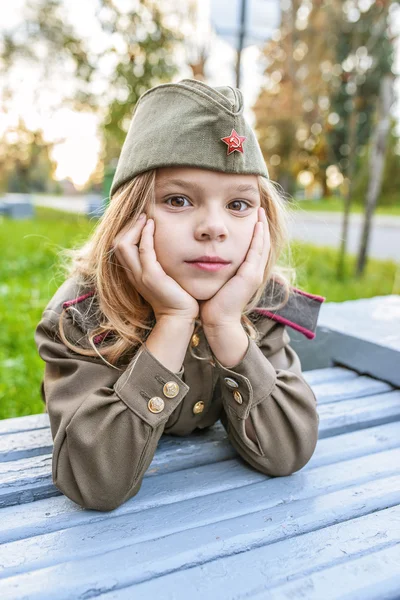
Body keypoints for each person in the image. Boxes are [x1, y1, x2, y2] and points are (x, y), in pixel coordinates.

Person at [34, 79, 325, 512]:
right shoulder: (83, 317)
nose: (214, 227)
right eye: (178, 199)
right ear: (129, 217)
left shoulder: (259, 303)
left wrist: (225, 325)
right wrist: (172, 320)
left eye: (239, 205)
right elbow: (94, 481)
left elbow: (288, 451)